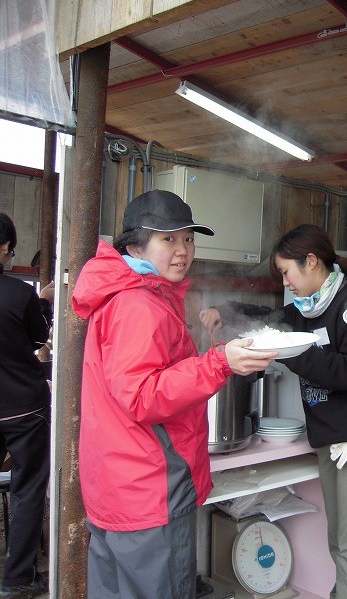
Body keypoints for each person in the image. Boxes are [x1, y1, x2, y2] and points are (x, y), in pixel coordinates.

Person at [71, 190, 276, 599]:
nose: (183, 250)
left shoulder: (124, 295)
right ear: (135, 245)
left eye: (188, 239)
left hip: (117, 486)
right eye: (168, 239)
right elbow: (144, 396)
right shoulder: (137, 304)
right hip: (150, 488)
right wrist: (219, 362)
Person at [200, 223, 347, 599]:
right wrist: (224, 311)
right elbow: (270, 319)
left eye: (287, 272)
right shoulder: (307, 310)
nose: (286, 282)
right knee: (339, 542)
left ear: (311, 262)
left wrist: (301, 354)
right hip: (329, 438)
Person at [0, 213, 54, 597]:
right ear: (4, 248)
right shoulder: (19, 293)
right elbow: (40, 337)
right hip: (24, 409)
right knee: (28, 490)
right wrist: (45, 302)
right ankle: (18, 578)